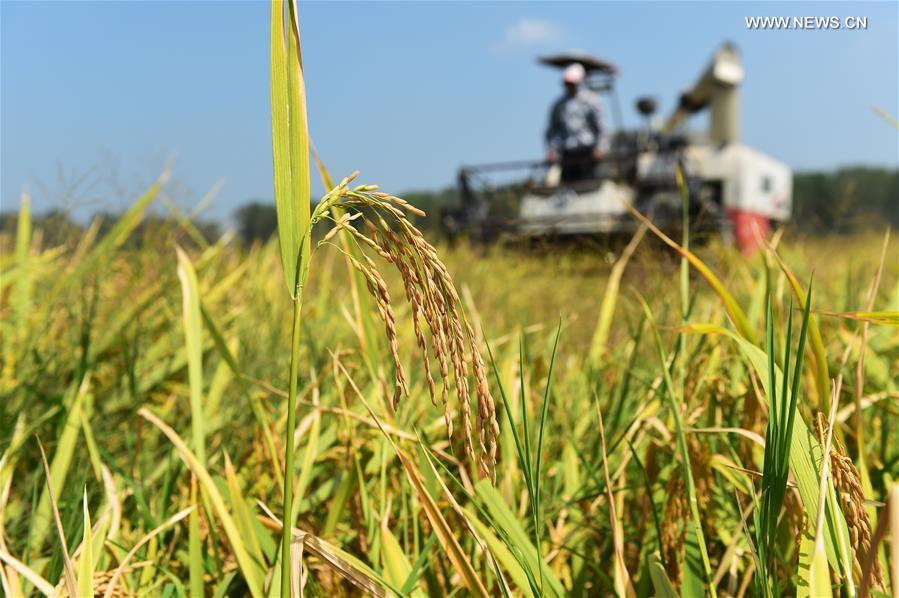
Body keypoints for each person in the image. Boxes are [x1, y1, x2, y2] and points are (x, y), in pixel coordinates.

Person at [544, 63, 610, 183]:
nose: (569, 86)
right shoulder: (559, 105)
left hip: (588, 153)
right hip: (567, 154)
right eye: (567, 83)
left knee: (588, 187)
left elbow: (602, 127)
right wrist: (552, 150)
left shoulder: (592, 101)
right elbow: (552, 130)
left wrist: (600, 148)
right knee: (568, 189)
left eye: (572, 83)